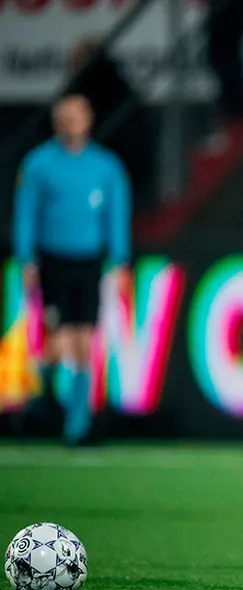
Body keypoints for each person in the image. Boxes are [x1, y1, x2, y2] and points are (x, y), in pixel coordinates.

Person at [12, 94, 131, 446]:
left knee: (83, 342)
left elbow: (116, 214)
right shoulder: (39, 164)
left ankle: (76, 427)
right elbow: (26, 212)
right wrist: (26, 257)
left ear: (89, 119)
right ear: (56, 121)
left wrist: (120, 259)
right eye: (65, 116)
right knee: (58, 340)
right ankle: (41, 398)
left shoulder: (105, 166)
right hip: (53, 260)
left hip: (89, 262)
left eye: (78, 115)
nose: (71, 122)